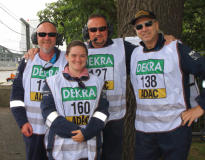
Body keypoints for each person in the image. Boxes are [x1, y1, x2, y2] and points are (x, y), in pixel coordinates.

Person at [27, 14, 175, 160]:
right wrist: (35, 50)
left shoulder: (122, 47)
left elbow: (147, 51)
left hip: (114, 115)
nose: (97, 33)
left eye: (102, 28)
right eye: (93, 30)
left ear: (108, 30)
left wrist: (162, 39)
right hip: (87, 119)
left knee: (111, 155)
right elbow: (53, 55)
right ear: (87, 32)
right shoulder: (81, 49)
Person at [130, 10, 205, 160]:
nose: (144, 29)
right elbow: (106, 46)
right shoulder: (135, 53)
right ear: (135, 31)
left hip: (174, 128)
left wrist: (201, 108)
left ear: (157, 25)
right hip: (145, 131)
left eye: (148, 24)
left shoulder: (176, 49)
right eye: (139, 26)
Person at [40, 40, 109, 160]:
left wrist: (87, 133)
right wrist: (76, 131)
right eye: (74, 55)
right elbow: (48, 113)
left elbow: (102, 112)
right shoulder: (52, 82)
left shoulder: (98, 82)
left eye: (82, 56)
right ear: (66, 56)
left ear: (87, 57)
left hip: (90, 146)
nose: (78, 59)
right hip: (61, 147)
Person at [10, 21, 67, 160]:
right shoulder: (27, 61)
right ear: (36, 38)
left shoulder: (67, 60)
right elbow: (16, 97)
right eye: (42, 34)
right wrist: (22, 122)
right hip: (33, 130)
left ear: (57, 38)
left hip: (59, 130)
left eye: (51, 34)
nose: (46, 37)